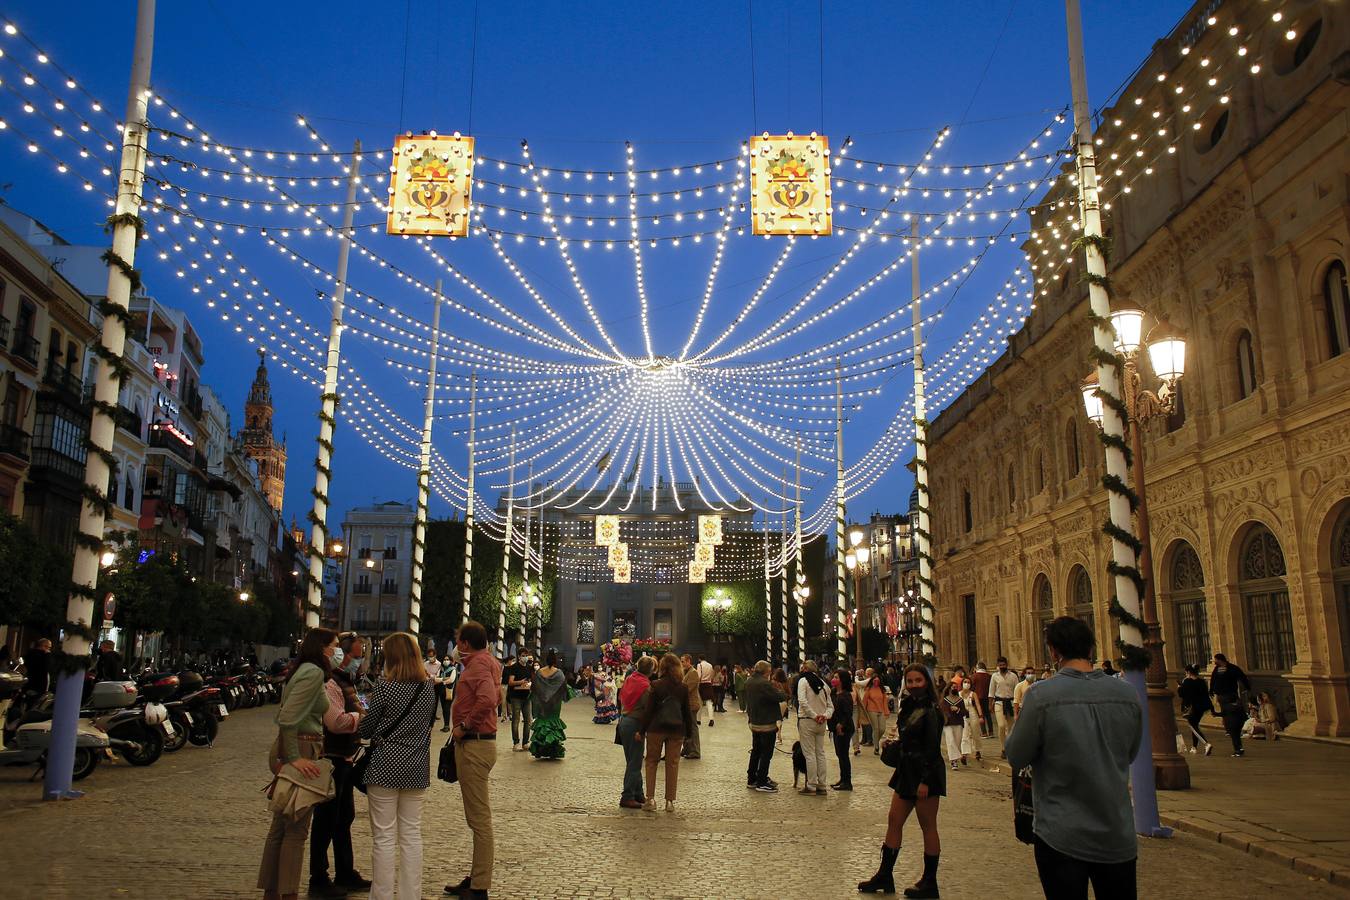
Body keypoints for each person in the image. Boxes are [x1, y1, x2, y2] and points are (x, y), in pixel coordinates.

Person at [1006, 616, 1143, 900]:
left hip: (1061, 833)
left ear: (1054, 652)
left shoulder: (1041, 696)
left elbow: (1017, 754)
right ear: (1090, 649)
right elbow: (1130, 752)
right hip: (1116, 831)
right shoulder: (1127, 694)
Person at [358, 632, 436, 900]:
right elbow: (427, 725)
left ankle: (380, 896)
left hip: (384, 766)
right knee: (412, 835)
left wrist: (363, 718)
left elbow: (367, 729)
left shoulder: (384, 686)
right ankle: (409, 896)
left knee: (383, 836)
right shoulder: (427, 687)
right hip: (415, 767)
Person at [259, 627, 335, 900]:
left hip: (296, 743)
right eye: (333, 646)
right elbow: (289, 716)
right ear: (322, 647)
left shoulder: (300, 669)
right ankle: (288, 892)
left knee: (280, 825)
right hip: (303, 744)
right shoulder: (313, 673)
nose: (335, 651)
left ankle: (272, 889)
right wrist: (294, 757)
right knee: (296, 827)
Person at [858, 663, 945, 898]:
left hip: (926, 773)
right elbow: (907, 736)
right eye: (910, 681)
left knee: (928, 826)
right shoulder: (907, 705)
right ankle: (885, 875)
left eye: (918, 680)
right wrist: (893, 745)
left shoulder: (932, 710)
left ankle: (930, 882)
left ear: (926, 682)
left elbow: (932, 748)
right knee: (894, 820)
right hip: (906, 771)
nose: (914, 685)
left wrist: (926, 781)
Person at [444, 621, 501, 900]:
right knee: (476, 817)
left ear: (465, 643)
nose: (456, 645)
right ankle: (477, 875)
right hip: (481, 744)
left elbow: (488, 699)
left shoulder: (478, 665)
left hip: (475, 744)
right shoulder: (488, 662)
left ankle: (480, 886)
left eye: (458, 640)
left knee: (479, 819)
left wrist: (464, 726)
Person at [309, 634, 367, 897]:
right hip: (332, 755)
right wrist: (360, 717)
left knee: (344, 818)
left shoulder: (346, 680)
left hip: (345, 755)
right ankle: (318, 877)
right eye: (355, 655)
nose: (359, 659)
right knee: (326, 820)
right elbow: (335, 721)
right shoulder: (329, 682)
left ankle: (345, 871)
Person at [637, 652, 695, 811]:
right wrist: (689, 733)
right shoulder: (683, 687)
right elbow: (686, 712)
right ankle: (670, 802)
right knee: (673, 764)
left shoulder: (655, 685)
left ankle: (650, 799)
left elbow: (648, 711)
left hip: (656, 729)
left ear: (662, 667)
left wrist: (641, 731)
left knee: (651, 762)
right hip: (677, 730)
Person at [617, 655, 655, 809]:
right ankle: (627, 796)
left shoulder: (630, 679)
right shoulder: (646, 686)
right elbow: (648, 709)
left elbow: (620, 697)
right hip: (635, 724)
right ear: (651, 671)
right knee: (635, 762)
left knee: (632, 759)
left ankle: (638, 792)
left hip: (624, 721)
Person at [742, 660, 784, 792]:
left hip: (755, 722)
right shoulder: (764, 683)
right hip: (766, 723)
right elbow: (779, 697)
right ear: (766, 671)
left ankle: (752, 778)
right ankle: (761, 781)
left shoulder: (749, 681)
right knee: (766, 753)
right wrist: (780, 689)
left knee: (756, 751)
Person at [795, 659, 833, 796]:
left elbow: (802, 701)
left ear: (805, 669)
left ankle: (811, 785)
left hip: (807, 721)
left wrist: (813, 715)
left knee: (809, 754)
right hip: (821, 723)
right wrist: (824, 716)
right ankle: (822, 784)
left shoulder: (803, 681)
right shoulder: (824, 684)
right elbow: (830, 706)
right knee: (820, 753)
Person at [1209, 652, 1252, 757]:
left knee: (1229, 715)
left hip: (1229, 694)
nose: (1214, 661)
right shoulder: (1217, 669)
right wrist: (1212, 690)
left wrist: (1247, 687)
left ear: (1220, 659)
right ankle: (1229, 728)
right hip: (1221, 695)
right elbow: (1213, 680)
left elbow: (1242, 677)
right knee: (1227, 713)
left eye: (1215, 659)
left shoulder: (1232, 668)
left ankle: (1231, 730)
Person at [529, 650, 567, 759]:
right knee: (553, 724)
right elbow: (563, 687)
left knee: (542, 723)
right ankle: (552, 751)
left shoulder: (539, 672)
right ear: (555, 661)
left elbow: (535, 687)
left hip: (542, 703)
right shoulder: (559, 673)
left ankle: (539, 749)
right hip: (555, 704)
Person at [1177, 664, 1213, 756]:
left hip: (1191, 707)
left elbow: (1182, 694)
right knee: (1195, 726)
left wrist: (1179, 688)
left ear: (1188, 672)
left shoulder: (1187, 681)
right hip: (1201, 707)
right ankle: (1194, 747)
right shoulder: (1201, 681)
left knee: (1193, 726)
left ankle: (1206, 744)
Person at [829, 668, 855, 791]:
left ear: (843, 680)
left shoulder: (846, 695)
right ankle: (842, 778)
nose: (834, 679)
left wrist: (841, 724)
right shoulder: (834, 693)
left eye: (836, 677)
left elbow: (848, 713)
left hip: (844, 728)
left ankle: (847, 782)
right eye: (834, 677)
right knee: (839, 754)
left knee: (844, 755)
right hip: (835, 727)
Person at [502, 652, 534, 750]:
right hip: (515, 696)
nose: (525, 657)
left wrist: (529, 684)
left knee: (528, 720)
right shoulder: (514, 667)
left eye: (526, 655)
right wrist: (521, 682)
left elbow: (529, 680)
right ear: (519, 656)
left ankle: (525, 743)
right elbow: (510, 682)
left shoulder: (529, 667)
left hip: (526, 696)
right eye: (523, 655)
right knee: (516, 719)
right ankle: (516, 743)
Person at [988, 657, 1018, 754]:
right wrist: (990, 705)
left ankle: (1010, 746)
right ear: (998, 665)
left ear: (1006, 664)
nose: (1002, 666)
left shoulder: (1013, 676)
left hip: (1010, 703)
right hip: (999, 703)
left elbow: (1017, 691)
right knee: (1001, 726)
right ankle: (1003, 748)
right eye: (1000, 665)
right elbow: (991, 691)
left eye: (1003, 665)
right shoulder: (994, 676)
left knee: (1010, 727)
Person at [939, 681, 968, 770]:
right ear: (949, 688)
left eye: (956, 687)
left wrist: (958, 709)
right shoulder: (944, 700)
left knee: (957, 742)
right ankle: (954, 761)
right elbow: (942, 711)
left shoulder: (960, 700)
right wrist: (947, 714)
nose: (954, 688)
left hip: (958, 723)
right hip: (947, 724)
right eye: (953, 687)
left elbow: (965, 712)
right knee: (950, 741)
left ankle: (955, 758)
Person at [680, 654, 702, 759]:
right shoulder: (686, 672)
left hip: (691, 704)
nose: (682, 663)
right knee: (685, 727)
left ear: (689, 661)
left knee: (692, 728)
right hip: (686, 705)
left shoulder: (693, 673)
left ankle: (695, 751)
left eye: (683, 661)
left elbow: (687, 689)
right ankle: (687, 748)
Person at [862, 671, 890, 757]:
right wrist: (863, 713)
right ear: (872, 681)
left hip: (881, 710)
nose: (876, 682)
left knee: (882, 728)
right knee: (876, 728)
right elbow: (864, 701)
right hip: (871, 710)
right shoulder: (868, 689)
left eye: (878, 681)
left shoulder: (882, 690)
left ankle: (875, 741)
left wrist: (886, 711)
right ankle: (877, 748)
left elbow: (885, 701)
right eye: (874, 681)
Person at [958, 679, 984, 762]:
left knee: (975, 733)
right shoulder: (959, 694)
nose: (967, 684)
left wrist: (980, 716)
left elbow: (978, 705)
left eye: (968, 682)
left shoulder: (973, 694)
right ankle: (964, 754)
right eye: (965, 682)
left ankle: (977, 750)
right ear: (962, 683)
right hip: (963, 715)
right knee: (964, 734)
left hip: (972, 714)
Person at [970, 662, 992, 738]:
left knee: (980, 715)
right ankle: (991, 731)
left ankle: (984, 732)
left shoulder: (974, 676)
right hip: (987, 697)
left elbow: (971, 687)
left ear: (977, 667)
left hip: (977, 698)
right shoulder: (989, 676)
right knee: (988, 715)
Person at [437, 655, 457, 733]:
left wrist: (442, 681)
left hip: (449, 691)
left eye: (447, 659)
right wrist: (443, 679)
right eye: (444, 659)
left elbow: (451, 680)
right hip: (442, 691)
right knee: (443, 708)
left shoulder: (453, 669)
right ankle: (445, 724)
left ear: (450, 660)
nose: (446, 661)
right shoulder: (441, 669)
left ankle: (447, 726)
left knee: (446, 708)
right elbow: (436, 678)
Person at [696, 653, 715, 726]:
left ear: (699, 659)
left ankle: (698, 720)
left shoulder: (699, 665)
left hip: (701, 684)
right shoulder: (710, 665)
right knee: (709, 702)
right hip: (708, 684)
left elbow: (699, 676)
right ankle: (711, 719)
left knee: (700, 702)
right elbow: (712, 675)